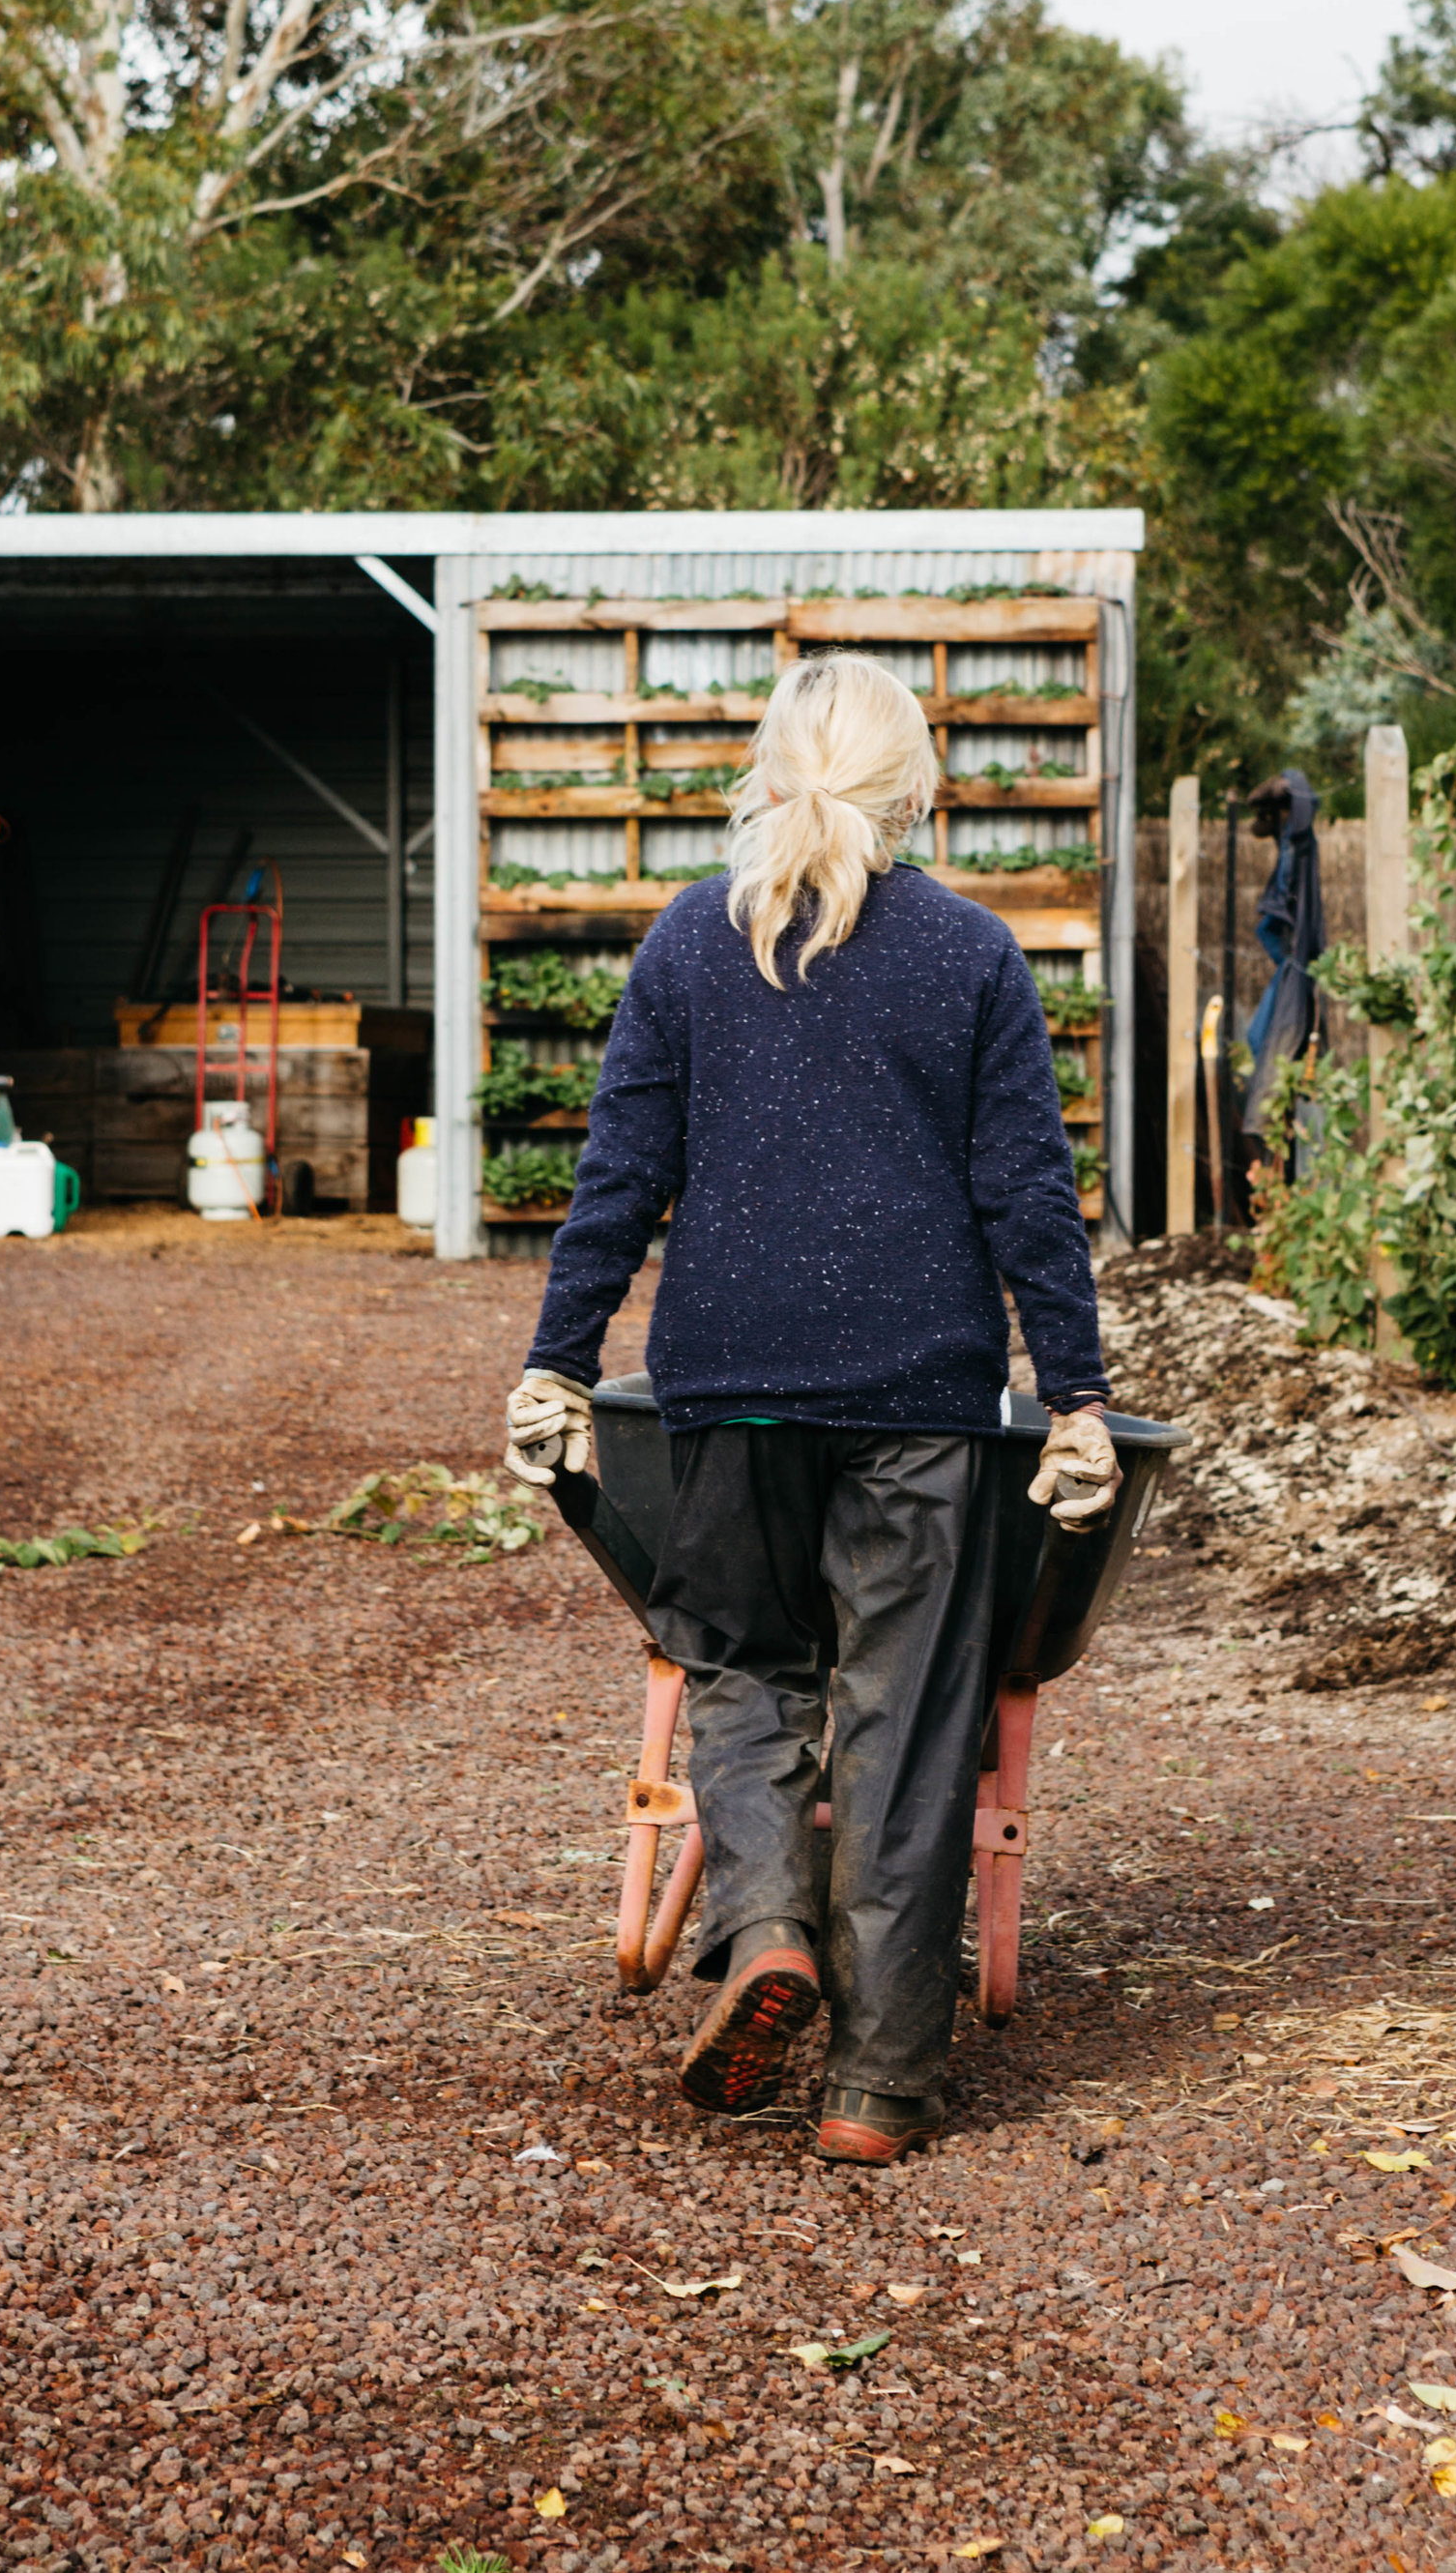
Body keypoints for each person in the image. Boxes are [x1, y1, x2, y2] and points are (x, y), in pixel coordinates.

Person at [500, 650, 1119, 2166]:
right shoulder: (972, 955)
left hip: (729, 1391)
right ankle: (881, 2082)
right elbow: (1028, 1196)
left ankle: (767, 1923)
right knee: (907, 1722)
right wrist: (1082, 1397)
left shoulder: (691, 949)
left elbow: (618, 1180)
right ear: (918, 790)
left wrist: (558, 1362)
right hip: (922, 1395)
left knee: (741, 1669)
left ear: (767, 776)